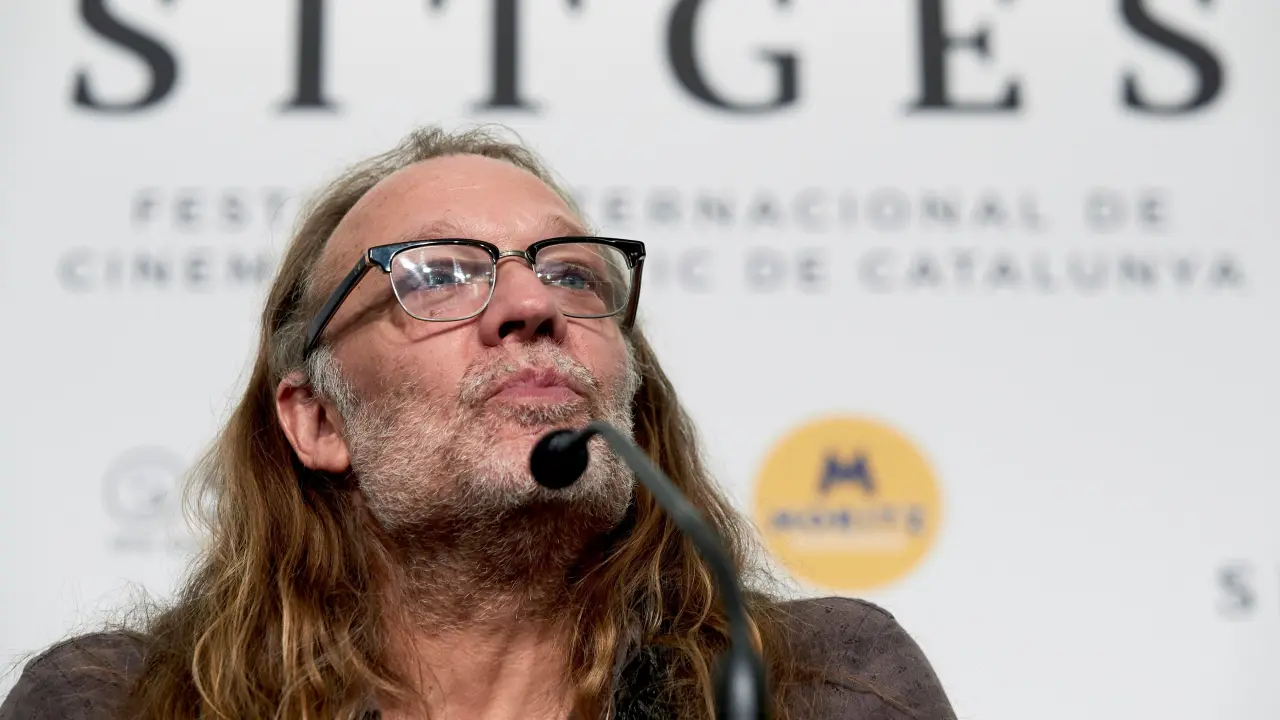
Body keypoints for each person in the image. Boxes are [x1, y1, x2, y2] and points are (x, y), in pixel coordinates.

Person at [1, 126, 956, 720]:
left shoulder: (825, 688)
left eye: (573, 273)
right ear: (318, 420)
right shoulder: (113, 704)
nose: (531, 304)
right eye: (439, 275)